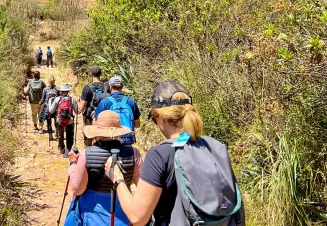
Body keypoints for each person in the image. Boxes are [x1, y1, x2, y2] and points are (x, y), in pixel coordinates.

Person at [105, 81, 245, 226]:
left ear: (162, 118)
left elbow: (137, 217)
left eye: (154, 119)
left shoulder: (159, 155)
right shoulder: (216, 147)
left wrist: (118, 179)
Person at [64, 111, 143, 226]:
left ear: (97, 131)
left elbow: (77, 189)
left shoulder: (87, 154)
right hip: (124, 213)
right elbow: (142, 187)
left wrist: (73, 164)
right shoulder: (133, 153)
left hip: (93, 215)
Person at [94, 76, 141, 145]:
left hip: (110, 140)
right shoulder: (131, 101)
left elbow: (95, 123)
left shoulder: (105, 102)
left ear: (110, 87)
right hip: (127, 140)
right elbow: (137, 125)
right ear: (122, 87)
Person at [79, 65, 110, 147]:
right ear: (101, 74)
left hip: (90, 116)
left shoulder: (87, 88)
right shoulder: (107, 87)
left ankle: (88, 155)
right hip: (104, 117)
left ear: (90, 74)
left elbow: (81, 108)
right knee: (102, 138)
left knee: (89, 137)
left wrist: (78, 102)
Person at [48, 83, 79, 157]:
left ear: (61, 91)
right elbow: (77, 112)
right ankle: (67, 151)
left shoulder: (57, 99)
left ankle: (61, 148)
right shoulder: (71, 100)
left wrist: (49, 102)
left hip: (60, 120)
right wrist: (78, 102)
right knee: (69, 135)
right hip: (69, 120)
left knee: (60, 134)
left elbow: (51, 111)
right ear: (68, 91)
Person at [40, 75, 59, 140]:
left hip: (47, 108)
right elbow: (59, 99)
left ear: (48, 81)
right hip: (56, 108)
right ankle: (57, 133)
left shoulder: (45, 89)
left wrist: (40, 104)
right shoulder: (57, 89)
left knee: (49, 122)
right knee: (56, 121)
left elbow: (43, 99)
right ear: (54, 81)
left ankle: (50, 136)